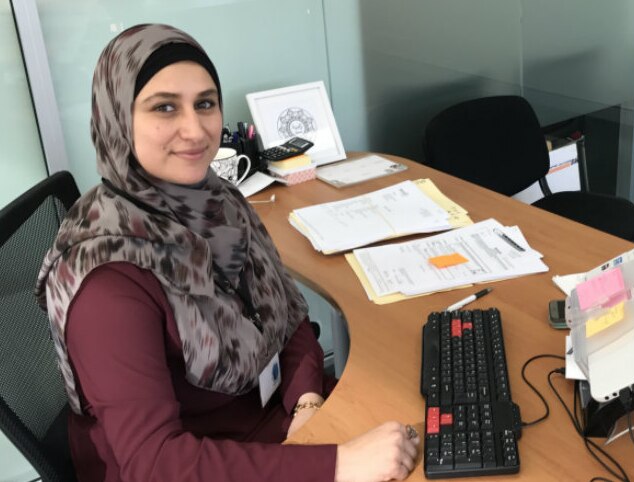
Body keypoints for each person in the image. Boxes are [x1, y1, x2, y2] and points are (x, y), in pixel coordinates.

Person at [35, 23, 419, 482]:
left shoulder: (217, 202)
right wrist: (340, 464)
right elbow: (155, 464)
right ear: (116, 119)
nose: (195, 130)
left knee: (432, 432)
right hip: (202, 462)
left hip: (275, 421)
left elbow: (285, 313)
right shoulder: (107, 281)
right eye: (164, 107)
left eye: (205, 103)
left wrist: (307, 401)